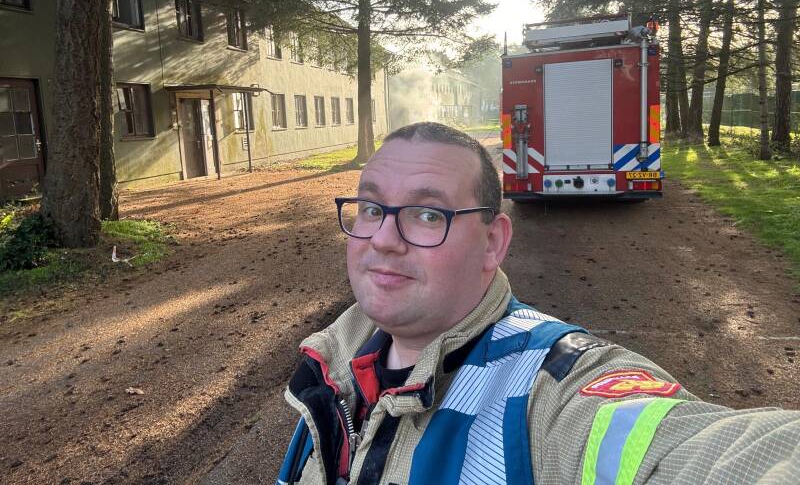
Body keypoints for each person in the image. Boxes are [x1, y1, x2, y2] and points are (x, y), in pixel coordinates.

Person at [276, 122, 800, 485]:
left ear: (493, 243)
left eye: (428, 215)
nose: (384, 239)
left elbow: (696, 452)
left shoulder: (550, 389)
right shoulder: (333, 364)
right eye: (372, 207)